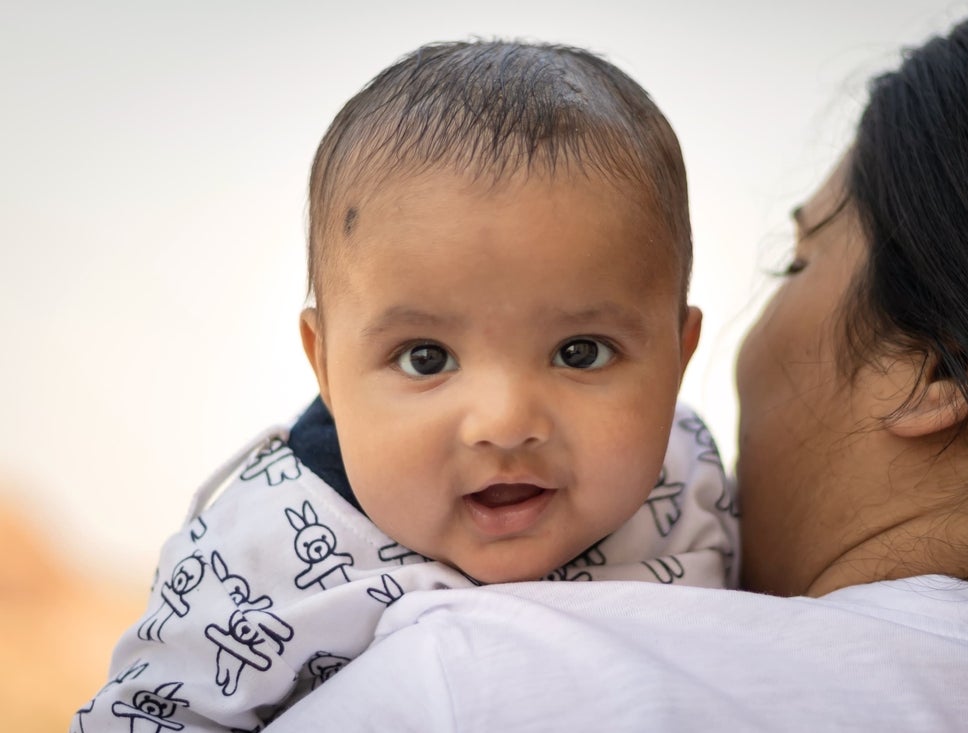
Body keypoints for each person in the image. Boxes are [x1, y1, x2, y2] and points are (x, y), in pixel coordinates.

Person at [254, 3, 968, 730]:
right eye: (429, 357)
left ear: (935, 367)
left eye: (795, 265)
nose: (506, 419)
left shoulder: (478, 683)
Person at [71, 40, 740, 732]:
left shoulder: (688, 475)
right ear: (325, 366)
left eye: (580, 351)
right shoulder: (267, 546)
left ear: (678, 356)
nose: (505, 421)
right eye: (426, 358)